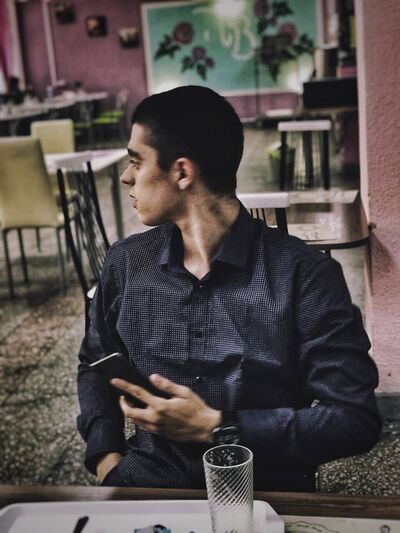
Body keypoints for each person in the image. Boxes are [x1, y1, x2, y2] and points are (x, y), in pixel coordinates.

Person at [77, 85, 381, 491]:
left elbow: (354, 418)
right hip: (145, 485)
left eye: (136, 160)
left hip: (265, 495)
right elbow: (95, 362)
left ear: (182, 172)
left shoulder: (304, 276)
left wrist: (219, 427)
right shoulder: (126, 263)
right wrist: (106, 458)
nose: (126, 176)